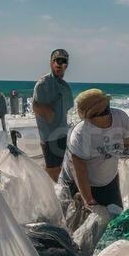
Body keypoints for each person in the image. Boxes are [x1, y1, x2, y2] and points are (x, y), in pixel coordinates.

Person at [61, 88, 129, 210]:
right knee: (80, 221)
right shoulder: (80, 134)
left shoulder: (120, 117)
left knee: (116, 217)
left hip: (109, 179)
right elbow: (79, 171)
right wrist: (89, 200)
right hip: (78, 183)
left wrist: (120, 151)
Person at [33, 48, 74, 182]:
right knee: (53, 173)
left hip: (63, 134)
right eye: (57, 61)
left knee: (64, 170)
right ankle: (51, 199)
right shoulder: (43, 84)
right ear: (51, 63)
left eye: (64, 62)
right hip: (50, 137)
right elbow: (41, 111)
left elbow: (69, 109)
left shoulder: (65, 86)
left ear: (67, 65)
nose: (60, 64)